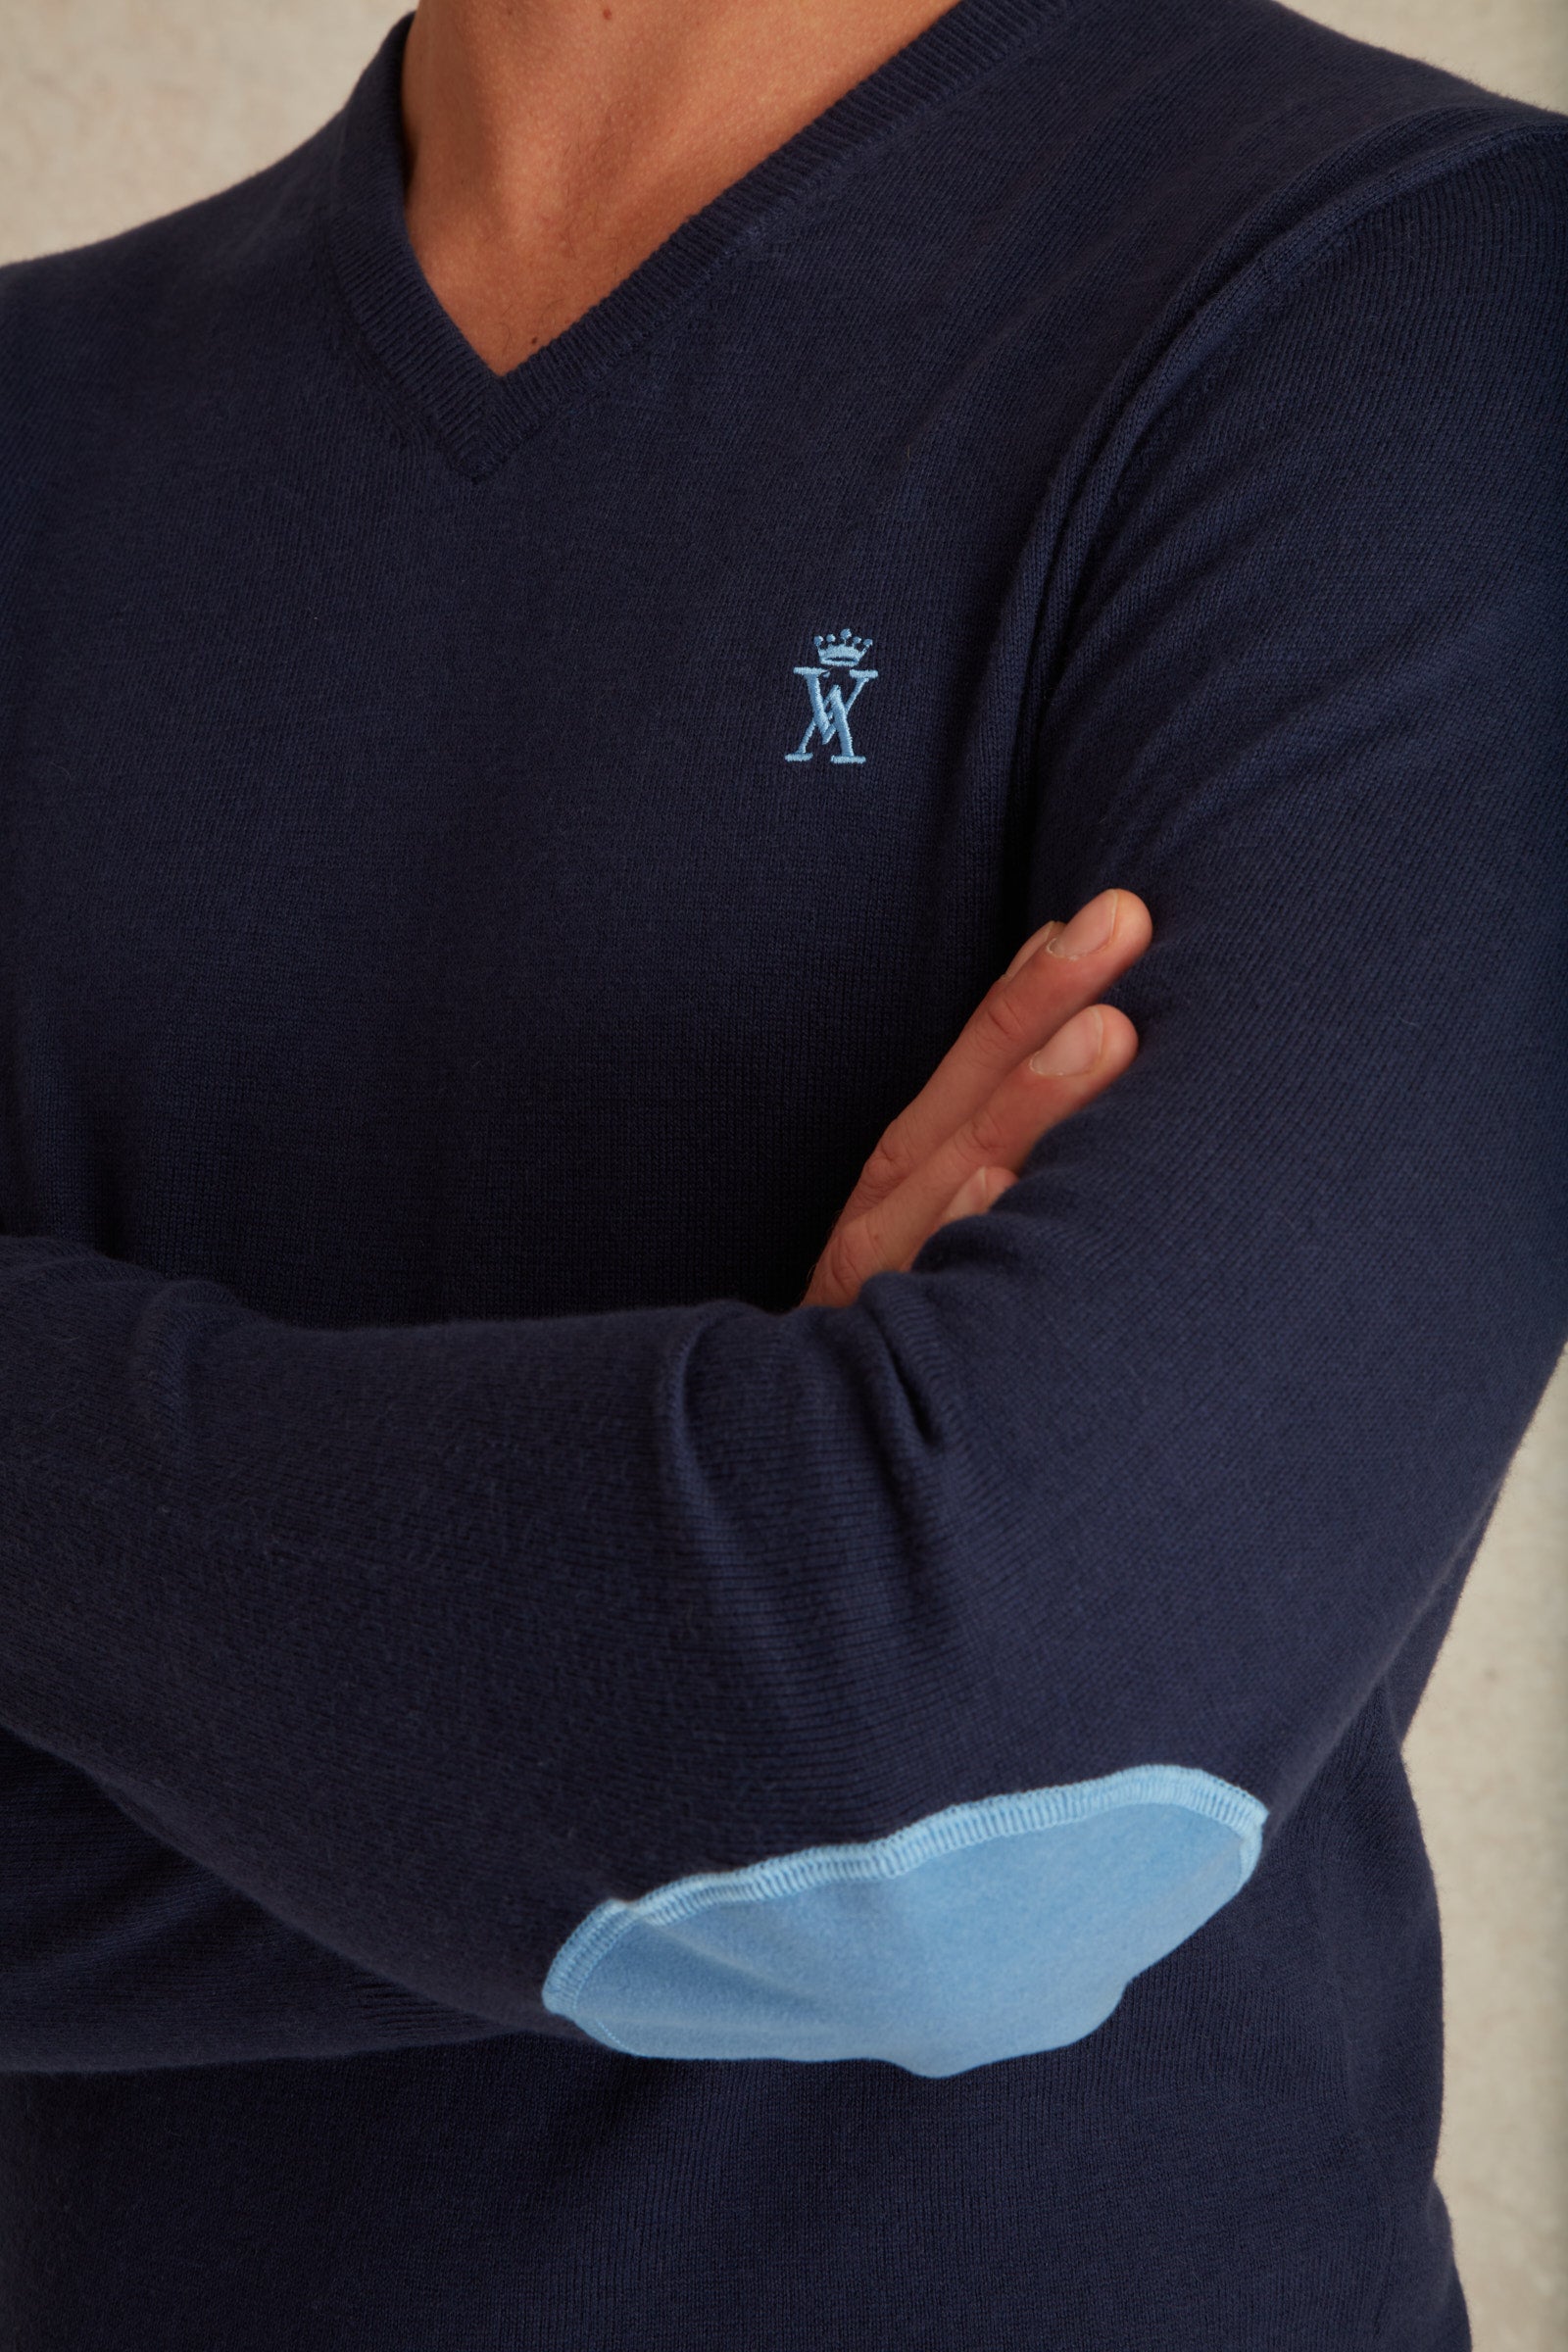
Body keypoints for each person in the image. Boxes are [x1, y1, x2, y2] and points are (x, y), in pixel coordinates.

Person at [0, 0, 1562, 2343]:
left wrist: (852, 1807)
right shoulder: (34, 420)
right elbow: (902, 1817)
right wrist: (725, 1780)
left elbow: (981, 1766)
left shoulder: (1419, 295)